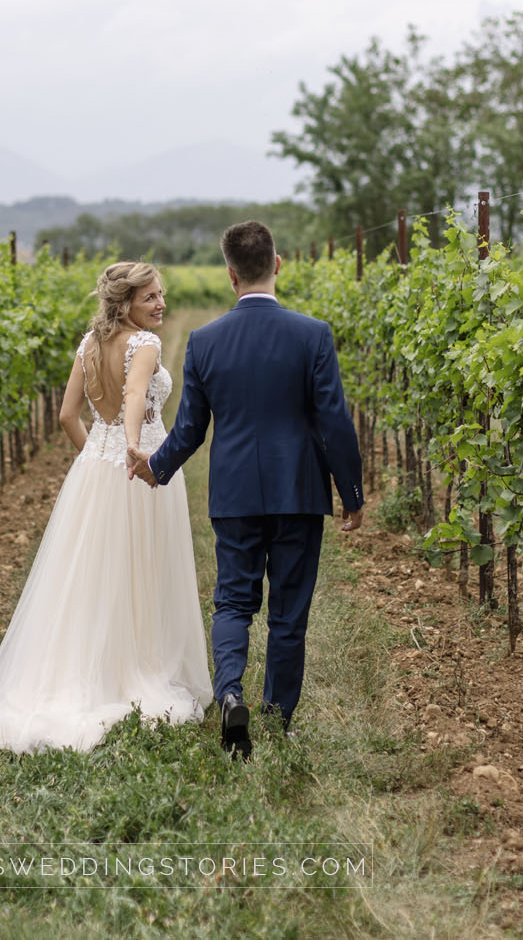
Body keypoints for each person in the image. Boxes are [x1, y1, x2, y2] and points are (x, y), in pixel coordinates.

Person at [129, 220, 365, 760]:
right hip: (299, 492)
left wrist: (156, 466)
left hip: (234, 491)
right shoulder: (313, 335)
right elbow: (334, 422)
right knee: (288, 611)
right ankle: (278, 721)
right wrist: (350, 493)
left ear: (230, 274)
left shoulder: (205, 341)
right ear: (277, 265)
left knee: (232, 602)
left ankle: (231, 692)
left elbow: (190, 428)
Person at [0, 261, 211, 753]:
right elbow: (136, 392)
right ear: (126, 302)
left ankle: (92, 665)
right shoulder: (145, 345)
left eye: (161, 295)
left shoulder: (88, 344)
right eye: (150, 297)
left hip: (96, 469)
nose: (161, 304)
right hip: (141, 467)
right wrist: (134, 449)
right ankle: (134, 669)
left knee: (95, 573)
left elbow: (69, 416)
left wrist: (100, 453)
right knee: (142, 570)